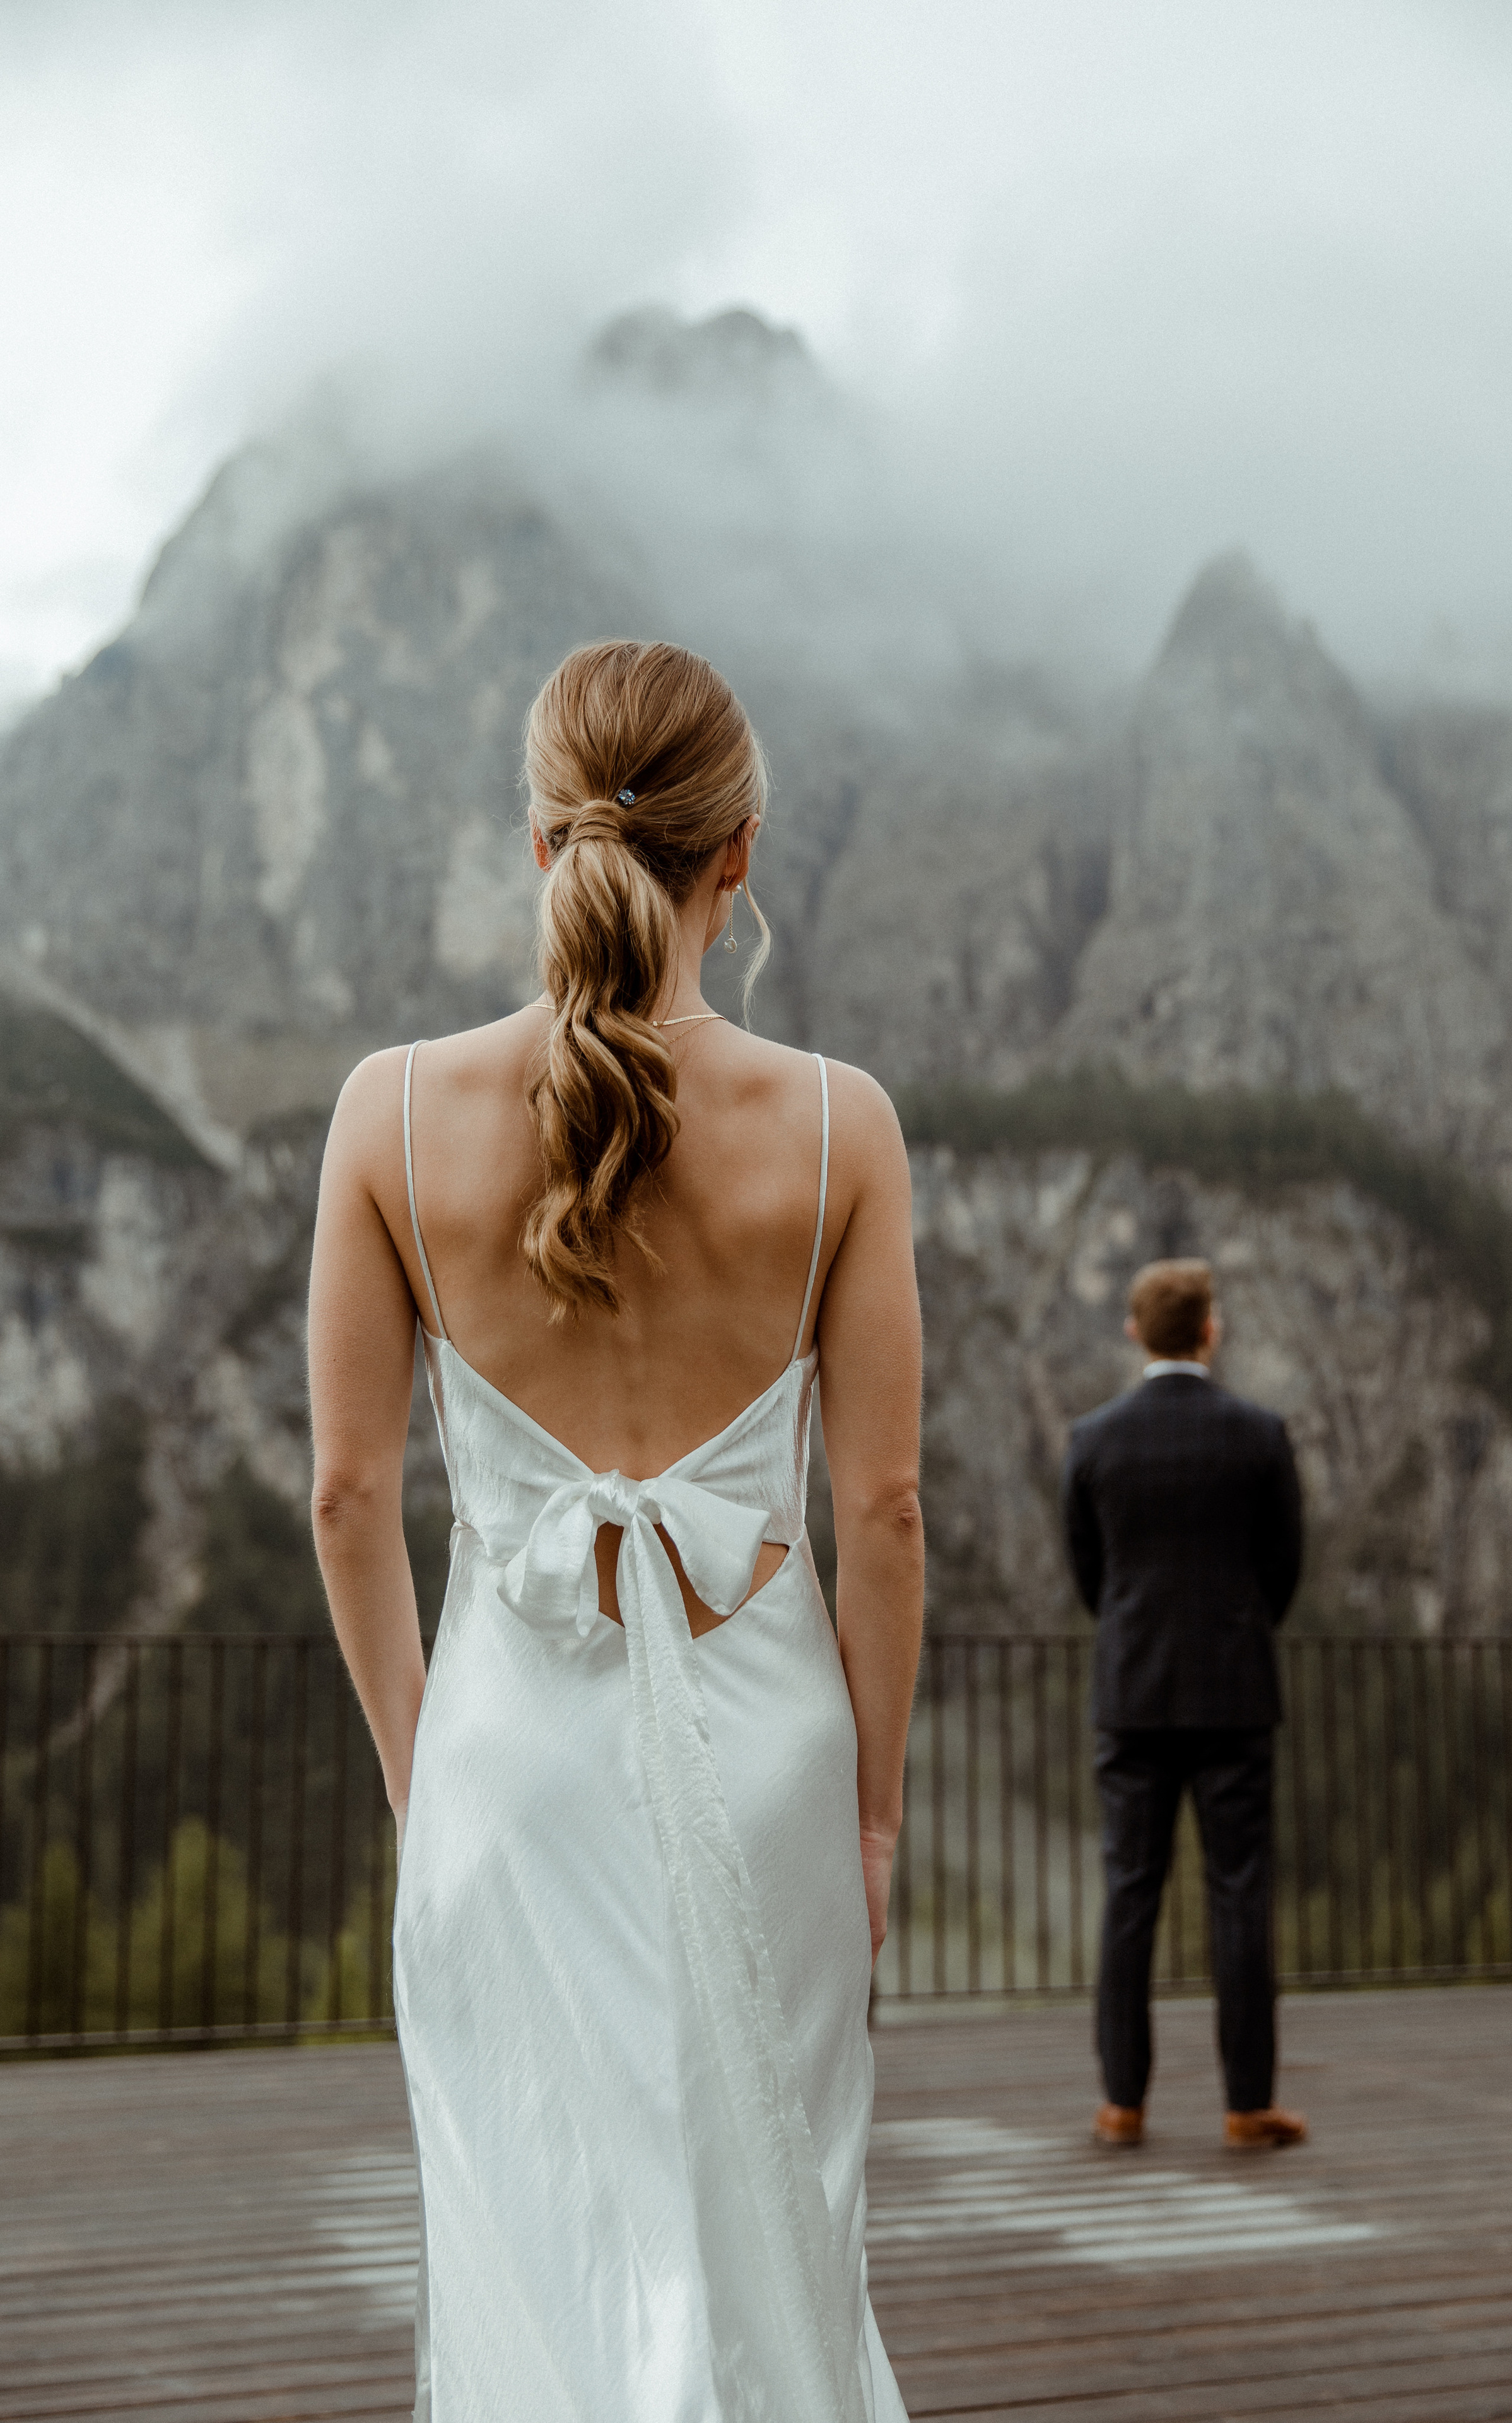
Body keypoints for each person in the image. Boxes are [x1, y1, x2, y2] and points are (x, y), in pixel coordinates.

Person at [308, 640, 923, 2419]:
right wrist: (875, 1810)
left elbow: (351, 1495)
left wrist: (431, 1780)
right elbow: (881, 1511)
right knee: (774, 2238)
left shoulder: (387, 1117)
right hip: (772, 1769)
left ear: (539, 845)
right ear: (741, 856)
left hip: (511, 1767)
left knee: (535, 2239)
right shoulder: (840, 1129)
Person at [1060, 1257, 1306, 2153]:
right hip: (1236, 1693)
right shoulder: (1261, 1433)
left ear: (1135, 1333)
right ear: (1211, 1330)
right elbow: (1285, 1563)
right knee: (1240, 1895)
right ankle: (1247, 2106)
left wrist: (1132, 1635)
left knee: (1129, 1892)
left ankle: (1122, 2103)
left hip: (1132, 1692)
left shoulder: (1093, 1440)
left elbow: (1089, 1569)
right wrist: (1239, 1629)